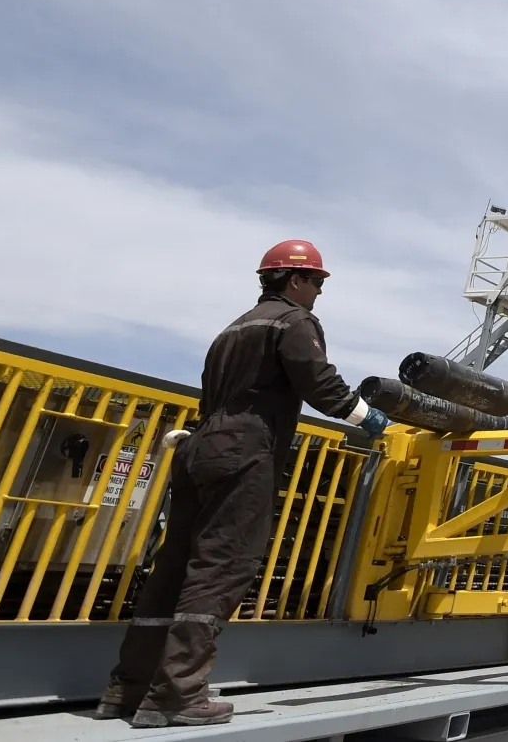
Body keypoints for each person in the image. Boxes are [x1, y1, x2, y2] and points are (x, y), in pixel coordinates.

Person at [98, 240, 392, 727]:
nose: (319, 292)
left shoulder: (234, 327)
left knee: (174, 564)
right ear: (294, 280)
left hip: (198, 447)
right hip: (244, 449)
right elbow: (318, 382)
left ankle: (126, 688)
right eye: (317, 282)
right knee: (222, 563)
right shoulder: (294, 322)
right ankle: (177, 696)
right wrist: (367, 416)